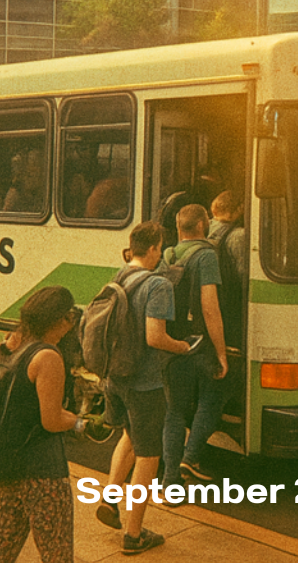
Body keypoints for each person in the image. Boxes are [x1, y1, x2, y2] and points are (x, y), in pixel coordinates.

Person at [95, 221, 190, 556]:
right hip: (144, 383)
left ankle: (110, 497)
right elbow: (155, 337)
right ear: (153, 249)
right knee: (149, 457)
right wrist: (181, 346)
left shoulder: (119, 275)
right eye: (159, 248)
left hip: (115, 378)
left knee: (128, 436)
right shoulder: (158, 286)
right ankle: (134, 534)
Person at [0, 286, 83, 563]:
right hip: (41, 474)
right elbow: (51, 420)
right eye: (70, 316)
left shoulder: (10, 347)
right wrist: (77, 423)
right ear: (61, 320)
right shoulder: (47, 357)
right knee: (56, 554)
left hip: (5, 468)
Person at [161, 204, 228, 487]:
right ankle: (190, 457)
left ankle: (170, 480)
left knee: (174, 411)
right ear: (202, 225)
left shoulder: (167, 255)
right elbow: (210, 307)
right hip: (199, 344)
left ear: (179, 227)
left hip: (172, 343)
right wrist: (222, 354)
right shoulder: (206, 255)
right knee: (214, 395)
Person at [207, 191, 247, 350]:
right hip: (230, 304)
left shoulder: (204, 229)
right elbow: (244, 276)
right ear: (238, 210)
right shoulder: (238, 236)